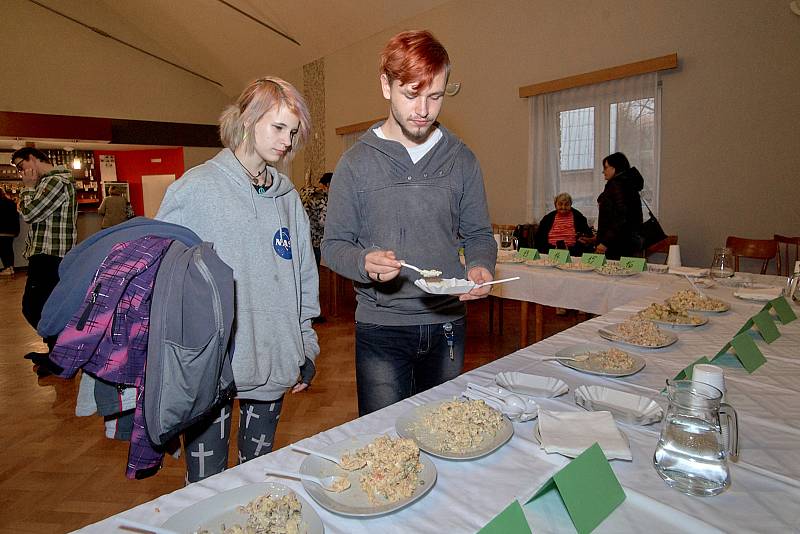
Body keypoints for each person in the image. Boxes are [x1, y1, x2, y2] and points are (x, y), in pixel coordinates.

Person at [321, 30, 496, 416]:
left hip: (448, 324)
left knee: (446, 435)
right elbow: (333, 245)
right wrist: (363, 262)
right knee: (384, 441)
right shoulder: (355, 164)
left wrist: (481, 266)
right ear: (386, 85)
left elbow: (480, 234)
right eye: (411, 94)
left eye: (435, 96)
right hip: (381, 329)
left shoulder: (461, 160)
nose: (423, 109)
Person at [156, 76, 320, 483]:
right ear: (247, 119)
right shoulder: (196, 189)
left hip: (272, 360)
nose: (286, 141)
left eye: (293, 132)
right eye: (278, 128)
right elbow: (163, 279)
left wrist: (306, 345)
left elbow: (301, 277)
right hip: (211, 370)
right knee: (208, 486)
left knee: (256, 481)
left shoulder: (286, 198)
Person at [12, 147, 77, 376]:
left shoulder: (56, 182)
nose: (22, 173)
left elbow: (29, 214)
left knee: (32, 306)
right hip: (49, 255)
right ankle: (58, 353)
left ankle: (62, 352)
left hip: (50, 255)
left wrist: (28, 188)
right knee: (46, 306)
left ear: (32, 158)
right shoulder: (52, 182)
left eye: (22, 166)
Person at [595, 152, 644, 260]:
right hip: (628, 241)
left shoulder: (617, 185)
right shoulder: (629, 184)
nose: (603, 171)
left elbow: (621, 217)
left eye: (606, 167)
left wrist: (605, 242)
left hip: (617, 243)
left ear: (615, 168)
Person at [300, 172, 332, 267]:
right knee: (314, 269)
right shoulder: (322, 196)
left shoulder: (304, 190)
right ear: (328, 184)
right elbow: (323, 221)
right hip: (315, 239)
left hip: (302, 236)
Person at [0, 188, 19, 276]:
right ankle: (11, 267)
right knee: (9, 249)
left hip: (2, 229)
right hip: (11, 230)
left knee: (3, 250)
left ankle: (7, 267)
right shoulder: (11, 203)